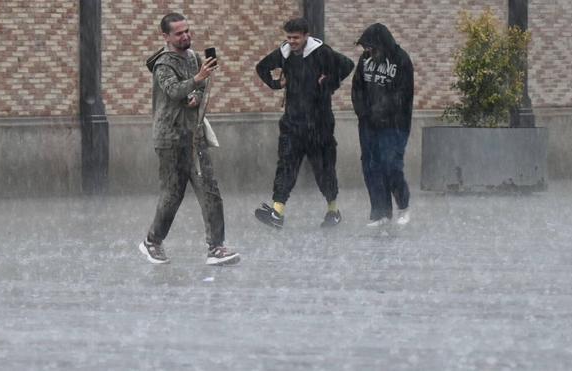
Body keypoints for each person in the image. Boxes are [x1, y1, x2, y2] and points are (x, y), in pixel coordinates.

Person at [140, 12, 240, 265]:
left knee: (210, 191)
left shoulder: (195, 57)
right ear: (166, 36)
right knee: (173, 194)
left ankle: (216, 247)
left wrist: (197, 90)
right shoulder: (164, 63)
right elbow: (173, 90)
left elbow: (199, 88)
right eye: (179, 33)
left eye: (187, 31)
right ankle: (152, 241)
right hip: (170, 138)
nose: (185, 36)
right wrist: (197, 80)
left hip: (194, 135)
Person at [254, 17, 354, 229]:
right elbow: (262, 67)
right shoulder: (285, 53)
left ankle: (333, 211)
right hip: (292, 123)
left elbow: (347, 65)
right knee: (286, 166)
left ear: (306, 36)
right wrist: (276, 84)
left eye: (296, 38)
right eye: (289, 37)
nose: (292, 42)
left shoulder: (321, 52)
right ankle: (277, 212)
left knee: (324, 170)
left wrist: (327, 83)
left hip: (320, 124)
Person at [351, 23, 414, 227]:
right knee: (371, 166)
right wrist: (363, 112)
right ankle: (380, 212)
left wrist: (382, 111)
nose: (367, 51)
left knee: (391, 166)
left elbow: (403, 95)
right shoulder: (365, 59)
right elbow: (357, 87)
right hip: (368, 124)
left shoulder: (401, 60)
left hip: (394, 125)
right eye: (365, 48)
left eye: (370, 47)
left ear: (382, 44)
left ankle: (403, 206)